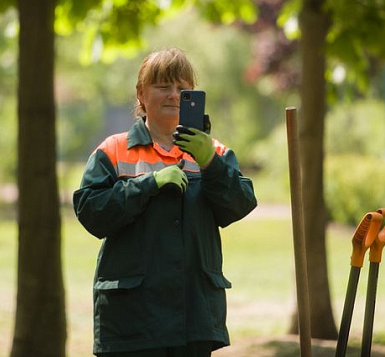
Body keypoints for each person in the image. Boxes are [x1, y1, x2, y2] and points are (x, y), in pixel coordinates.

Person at [73, 47, 258, 356]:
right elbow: (91, 213)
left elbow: (240, 204)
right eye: (163, 86)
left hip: (194, 318)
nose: (174, 95)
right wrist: (148, 184)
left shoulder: (214, 152)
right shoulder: (113, 150)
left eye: (183, 89)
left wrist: (210, 163)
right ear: (141, 94)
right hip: (131, 321)